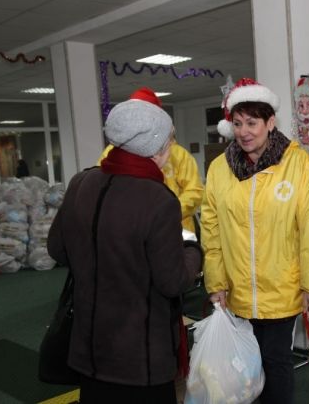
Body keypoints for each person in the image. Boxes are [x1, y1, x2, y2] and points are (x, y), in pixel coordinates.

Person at [47, 92, 203, 404]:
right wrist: (192, 249)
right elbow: (172, 281)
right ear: (156, 146)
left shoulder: (81, 183)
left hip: (90, 347)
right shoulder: (158, 199)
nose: (172, 147)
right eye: (170, 140)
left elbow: (57, 249)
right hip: (139, 355)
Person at [202, 77, 309, 404]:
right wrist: (216, 282)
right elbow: (212, 231)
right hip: (238, 289)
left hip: (282, 288)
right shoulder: (219, 169)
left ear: (270, 122)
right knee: (246, 366)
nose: (244, 131)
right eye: (238, 123)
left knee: (275, 361)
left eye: (252, 123)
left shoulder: (298, 164)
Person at [98, 87, 203, 234]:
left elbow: (195, 191)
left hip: (177, 228)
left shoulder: (179, 154)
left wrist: (169, 211)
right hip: (130, 228)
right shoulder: (111, 154)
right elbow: (104, 189)